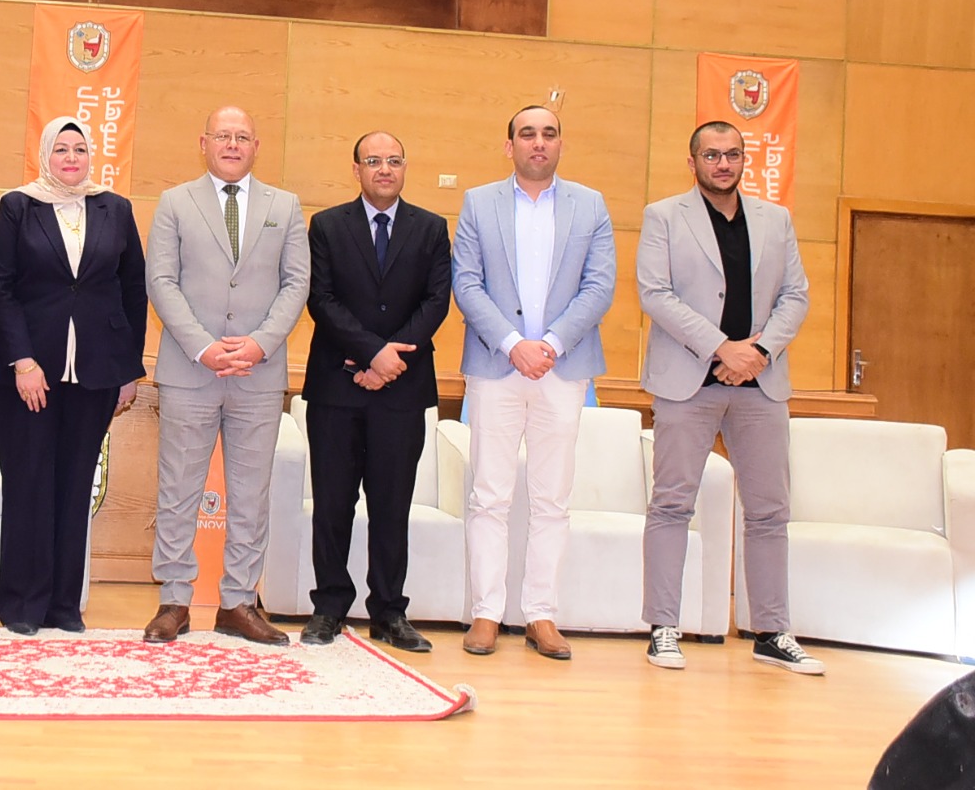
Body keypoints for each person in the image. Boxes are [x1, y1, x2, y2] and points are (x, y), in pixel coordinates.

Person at [637, 120, 824, 674]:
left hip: (760, 384)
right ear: (692, 161)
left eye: (733, 154)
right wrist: (722, 348)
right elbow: (655, 294)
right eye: (712, 155)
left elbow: (796, 294)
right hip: (688, 382)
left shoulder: (776, 219)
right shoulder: (664, 216)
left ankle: (771, 631)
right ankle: (663, 628)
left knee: (769, 511)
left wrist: (758, 351)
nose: (724, 164)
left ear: (745, 159)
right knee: (672, 505)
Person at [451, 105, 616, 660]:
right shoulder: (479, 202)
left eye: (548, 134)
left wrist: (551, 343)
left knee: (552, 498)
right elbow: (466, 283)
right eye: (527, 134)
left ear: (561, 144)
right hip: (497, 365)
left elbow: (599, 286)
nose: (538, 142)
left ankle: (541, 615)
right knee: (489, 496)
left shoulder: (590, 204)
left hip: (561, 369)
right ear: (510, 146)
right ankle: (486, 613)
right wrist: (512, 343)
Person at [142, 106, 309, 646]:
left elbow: (297, 283)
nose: (232, 144)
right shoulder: (175, 203)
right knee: (178, 490)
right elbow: (161, 281)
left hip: (259, 373)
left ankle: (238, 602)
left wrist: (260, 343)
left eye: (242, 137)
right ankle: (174, 600)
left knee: (251, 495)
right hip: (190, 369)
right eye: (223, 136)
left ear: (256, 146)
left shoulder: (285, 206)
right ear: (204, 142)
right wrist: (204, 347)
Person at [0, 117, 148, 634]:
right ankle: (22, 605)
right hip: (30, 374)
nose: (71, 158)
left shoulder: (115, 208)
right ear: (44, 155)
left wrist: (128, 368)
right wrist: (22, 360)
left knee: (75, 488)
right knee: (29, 485)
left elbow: (133, 290)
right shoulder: (18, 206)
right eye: (61, 149)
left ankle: (62, 606)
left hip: (96, 374)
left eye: (79, 149)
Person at [299, 131, 452, 651]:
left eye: (393, 161)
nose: (384, 169)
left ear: (405, 168)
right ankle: (329, 607)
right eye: (373, 161)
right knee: (333, 503)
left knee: (392, 504)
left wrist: (390, 362)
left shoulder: (430, 228)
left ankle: (389, 611)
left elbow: (436, 302)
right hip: (336, 388)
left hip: (402, 392)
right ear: (356, 170)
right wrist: (371, 354)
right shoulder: (326, 225)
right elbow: (320, 299)